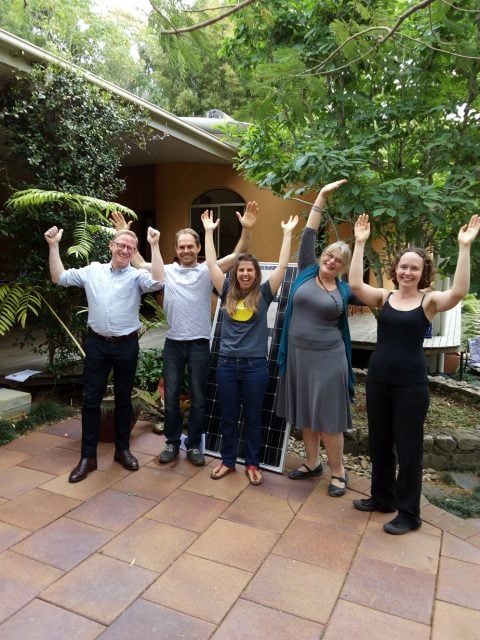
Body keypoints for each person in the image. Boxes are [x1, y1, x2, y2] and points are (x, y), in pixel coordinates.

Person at [349, 213, 480, 534]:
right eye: (403, 266)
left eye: (414, 267)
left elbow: (459, 292)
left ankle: (409, 514)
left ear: (422, 273)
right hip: (379, 380)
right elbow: (354, 284)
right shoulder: (385, 297)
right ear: (395, 270)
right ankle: (382, 499)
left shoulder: (429, 301)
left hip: (410, 386)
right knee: (379, 442)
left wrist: (465, 248)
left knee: (408, 449)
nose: (407, 271)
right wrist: (360, 243)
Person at [111, 205, 258, 467]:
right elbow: (138, 262)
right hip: (174, 345)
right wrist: (124, 233)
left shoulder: (207, 270)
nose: (186, 251)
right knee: (171, 398)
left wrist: (246, 227)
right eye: (182, 247)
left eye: (190, 246)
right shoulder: (165, 271)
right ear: (176, 249)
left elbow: (238, 255)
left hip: (200, 343)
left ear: (199, 248)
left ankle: (193, 445)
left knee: (200, 398)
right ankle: (171, 442)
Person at [44, 225, 164, 483]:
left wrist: (154, 245)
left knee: (123, 400)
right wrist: (53, 246)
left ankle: (122, 450)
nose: (124, 250)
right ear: (111, 246)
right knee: (90, 401)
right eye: (120, 245)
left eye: (130, 248)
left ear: (133, 253)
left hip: (126, 345)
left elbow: (158, 281)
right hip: (97, 344)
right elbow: (59, 277)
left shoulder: (136, 277)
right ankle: (88, 457)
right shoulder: (92, 271)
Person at [201, 209, 298, 484]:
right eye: (241, 270)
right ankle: (228, 461)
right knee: (229, 418)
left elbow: (281, 267)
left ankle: (253, 464)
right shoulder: (226, 292)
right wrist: (209, 233)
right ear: (236, 273)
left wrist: (287, 235)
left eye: (249, 270)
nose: (244, 274)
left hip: (255, 367)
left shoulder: (265, 294)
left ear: (256, 274)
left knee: (254, 419)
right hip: (227, 366)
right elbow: (211, 265)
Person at [276, 179, 355, 497]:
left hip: (328, 357)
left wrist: (359, 244)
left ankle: (339, 472)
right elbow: (308, 233)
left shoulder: (345, 290)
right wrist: (320, 196)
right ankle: (312, 462)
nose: (332, 260)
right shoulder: (307, 269)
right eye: (330, 254)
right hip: (298, 354)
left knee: (328, 419)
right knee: (306, 413)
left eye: (339, 260)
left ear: (343, 267)